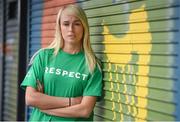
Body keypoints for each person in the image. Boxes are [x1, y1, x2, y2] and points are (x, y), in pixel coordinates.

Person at [20, 4, 102, 121]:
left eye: (77, 24)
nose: (71, 29)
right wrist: (72, 101)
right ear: (59, 27)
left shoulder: (92, 65)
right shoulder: (44, 57)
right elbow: (31, 98)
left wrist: (45, 108)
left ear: (84, 27)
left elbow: (84, 110)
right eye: (66, 24)